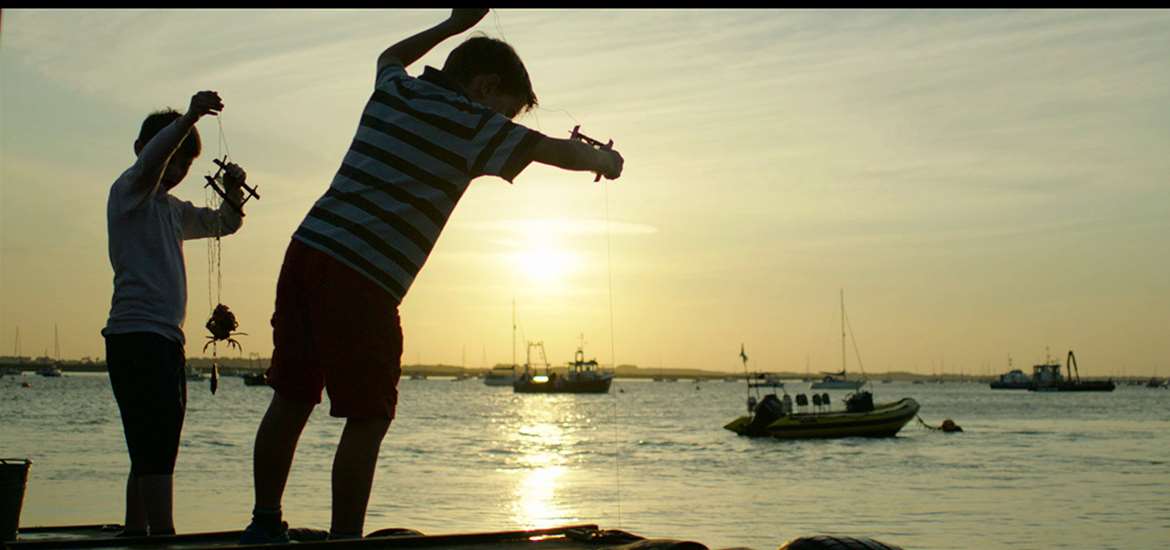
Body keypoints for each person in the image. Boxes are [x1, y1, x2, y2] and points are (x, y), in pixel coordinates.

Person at [242, 8, 623, 543]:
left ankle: (262, 525)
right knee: (369, 415)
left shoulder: (394, 89)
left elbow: (388, 56)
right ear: (485, 86)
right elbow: (548, 151)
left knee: (292, 396)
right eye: (508, 110)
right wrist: (605, 163)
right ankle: (345, 540)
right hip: (363, 276)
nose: (506, 122)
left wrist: (452, 23)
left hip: (307, 251)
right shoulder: (472, 122)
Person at [103, 90, 249, 536]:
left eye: (186, 165)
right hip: (136, 336)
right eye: (175, 159)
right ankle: (162, 537)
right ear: (144, 151)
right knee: (157, 443)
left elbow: (225, 223)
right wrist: (189, 117)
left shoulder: (173, 212)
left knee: (148, 445)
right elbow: (153, 161)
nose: (179, 170)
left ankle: (136, 533)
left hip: (166, 339)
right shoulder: (129, 191)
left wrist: (233, 192)